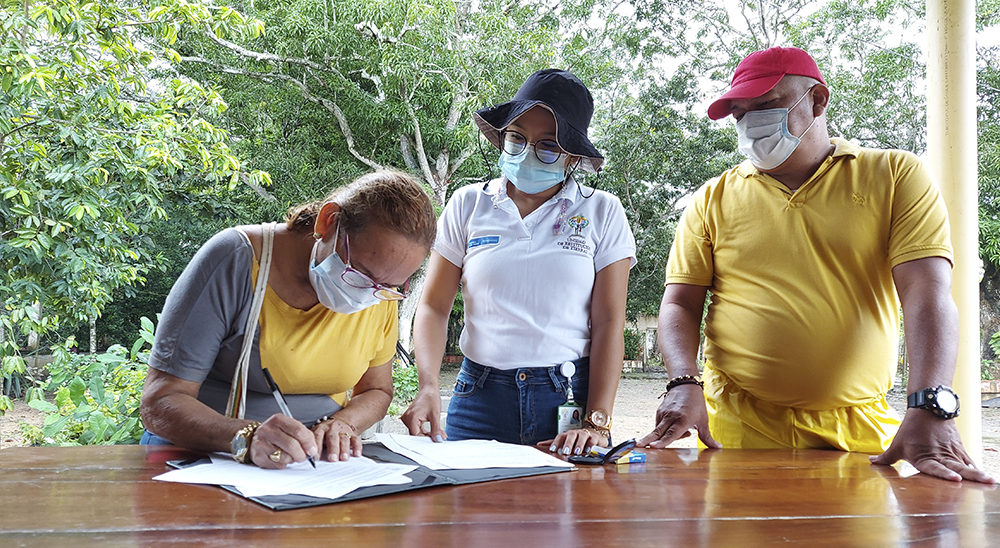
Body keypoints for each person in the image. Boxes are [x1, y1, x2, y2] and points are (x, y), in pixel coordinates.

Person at [638, 46, 995, 484]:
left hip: (860, 432)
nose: (752, 123)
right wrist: (683, 383)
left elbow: (928, 293)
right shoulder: (712, 199)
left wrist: (930, 404)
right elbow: (679, 303)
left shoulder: (895, 175)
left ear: (818, 101)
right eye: (740, 114)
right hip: (736, 430)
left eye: (767, 105)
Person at [401, 69, 637, 455]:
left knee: (567, 514)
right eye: (517, 137)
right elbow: (432, 306)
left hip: (567, 401)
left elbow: (610, 322)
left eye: (548, 145)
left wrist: (597, 420)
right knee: (465, 510)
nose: (527, 152)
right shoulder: (468, 204)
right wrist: (427, 385)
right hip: (477, 398)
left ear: (573, 154)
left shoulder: (602, 212)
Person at [140, 170, 436, 468]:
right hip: (210, 457)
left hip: (314, 467)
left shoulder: (378, 291)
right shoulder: (237, 260)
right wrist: (246, 437)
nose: (367, 294)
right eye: (359, 273)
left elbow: (376, 390)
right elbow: (160, 402)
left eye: (389, 286)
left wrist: (343, 424)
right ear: (328, 221)